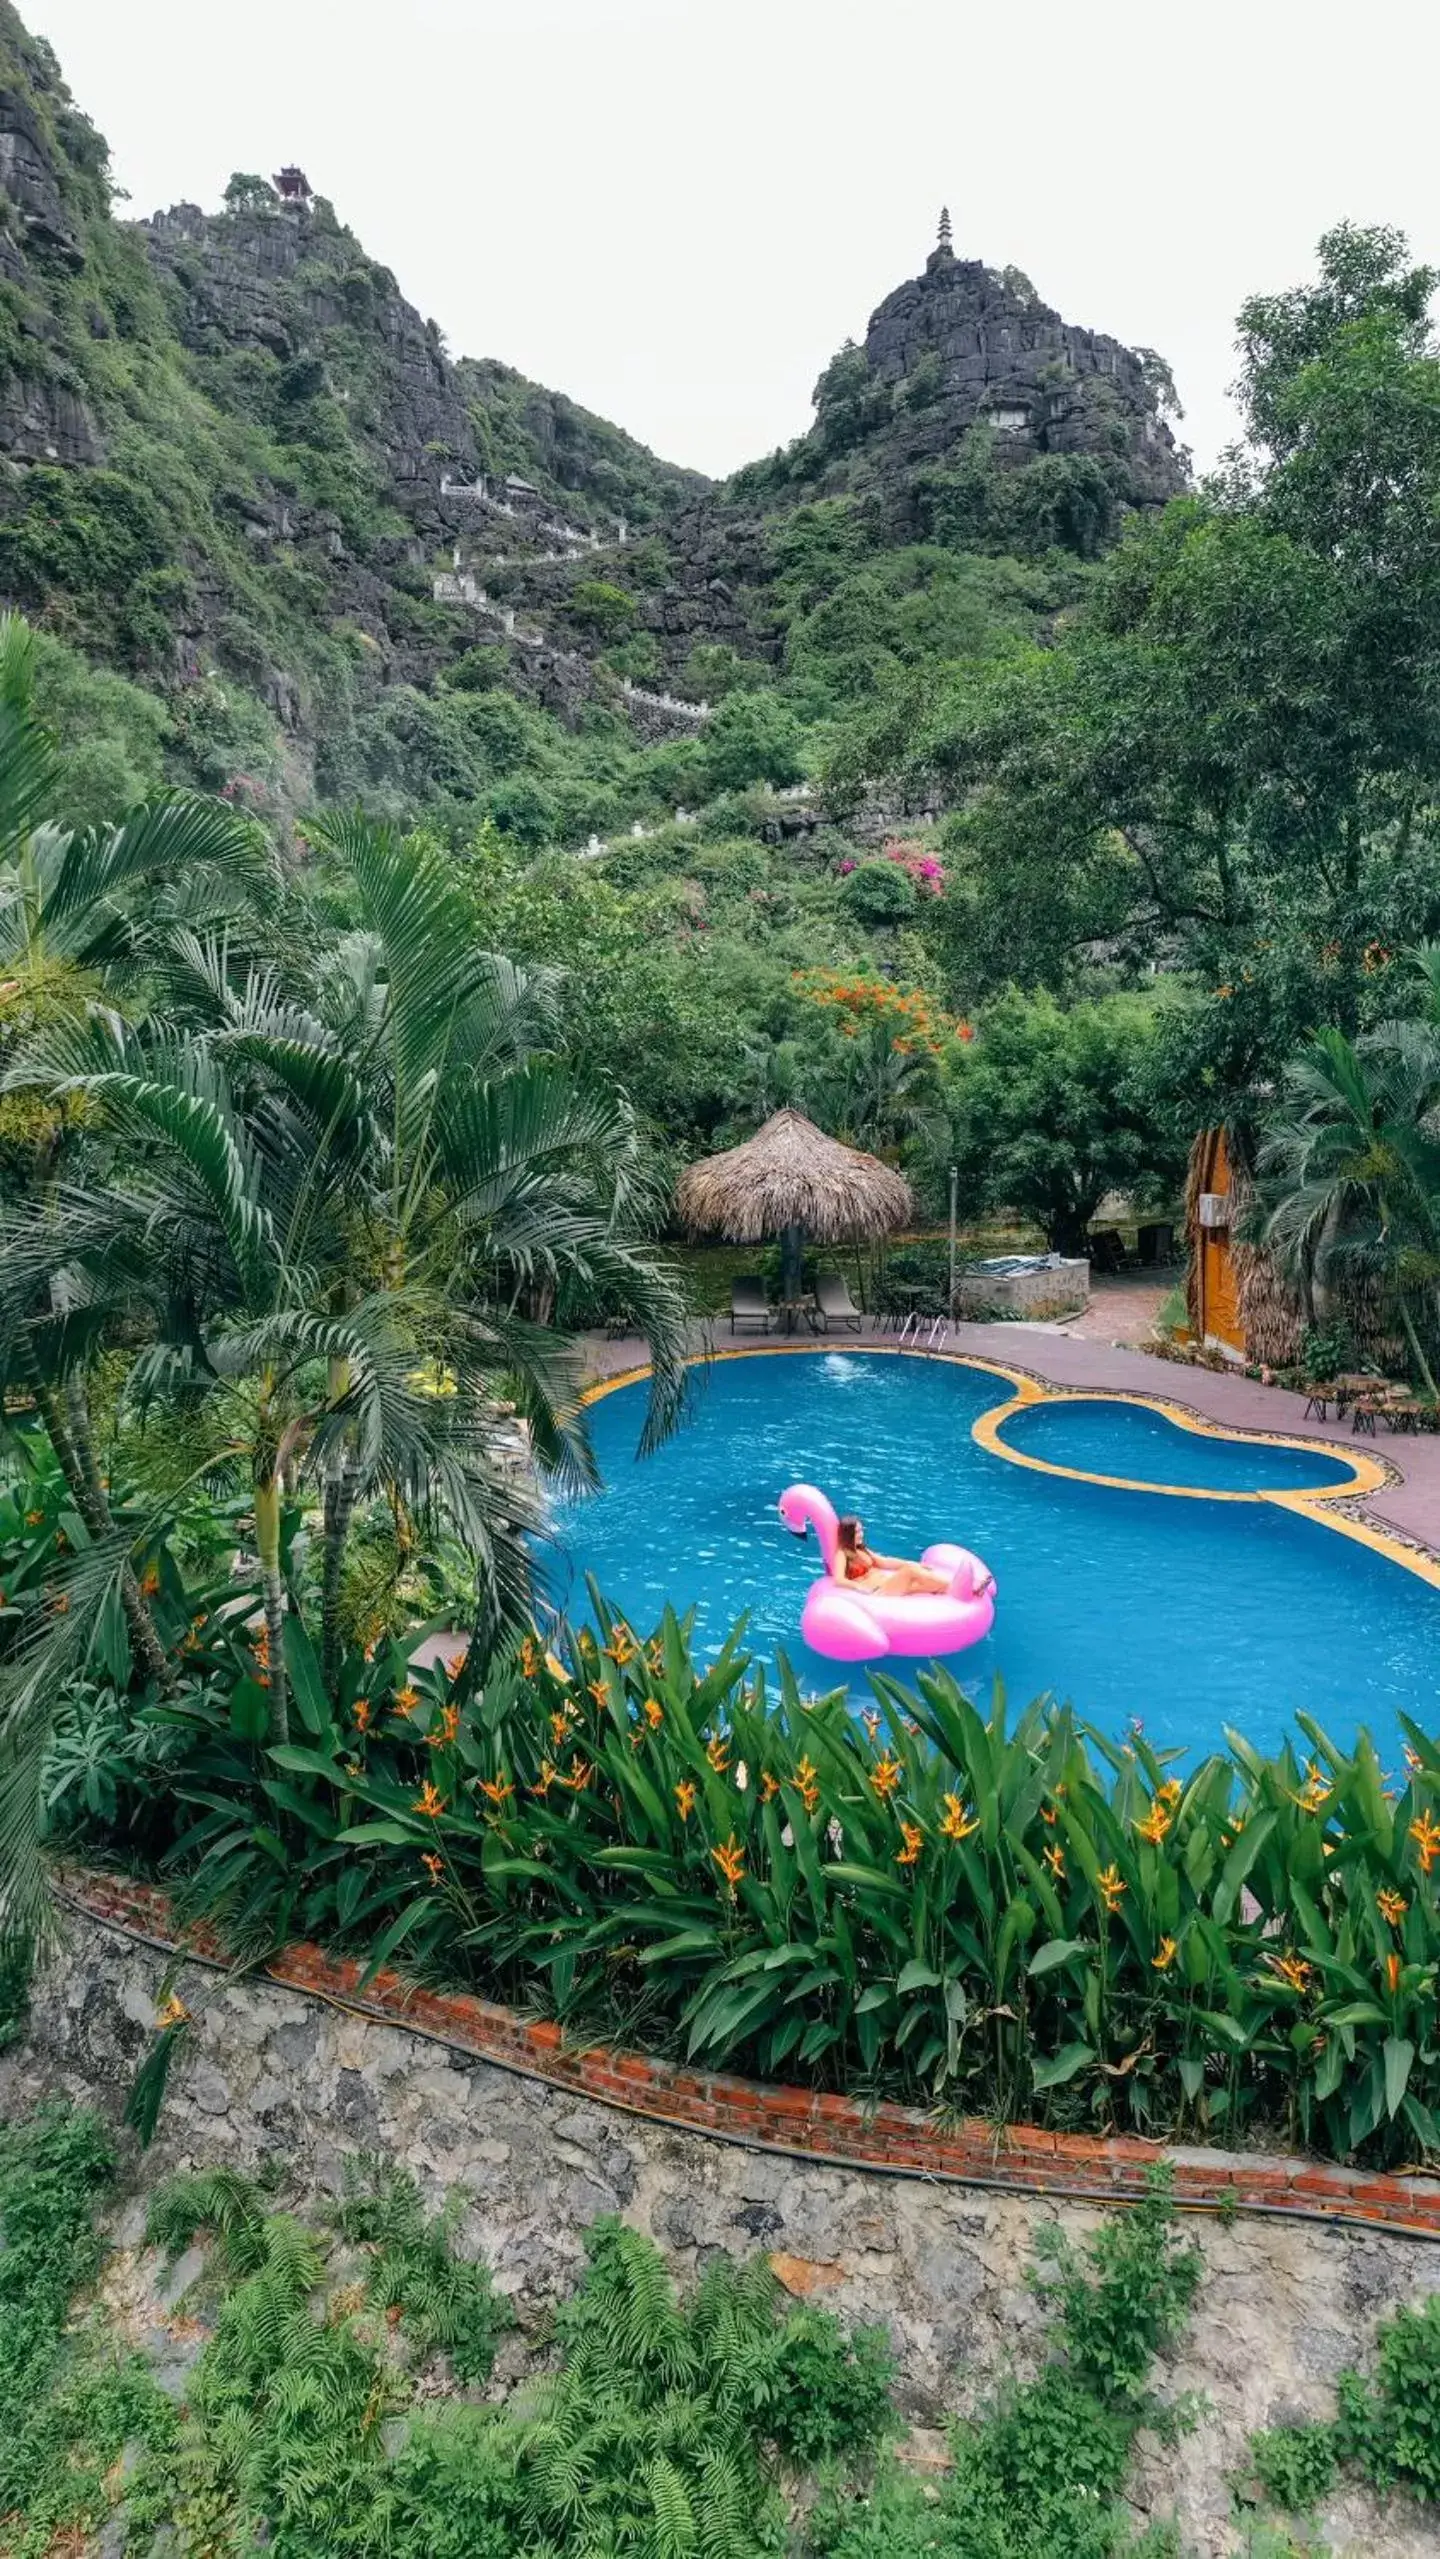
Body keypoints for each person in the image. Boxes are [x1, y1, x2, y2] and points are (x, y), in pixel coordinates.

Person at [830, 1514, 952, 1598]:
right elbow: (839, 1580)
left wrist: (914, 1564)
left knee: (922, 1581)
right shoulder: (843, 1554)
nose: (861, 1534)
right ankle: (953, 1586)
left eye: (861, 1530)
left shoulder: (861, 1549)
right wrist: (859, 1587)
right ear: (848, 1534)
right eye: (856, 1532)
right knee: (910, 1571)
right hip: (877, 1592)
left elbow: (884, 1561)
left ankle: (951, 1590)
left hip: (886, 1584)